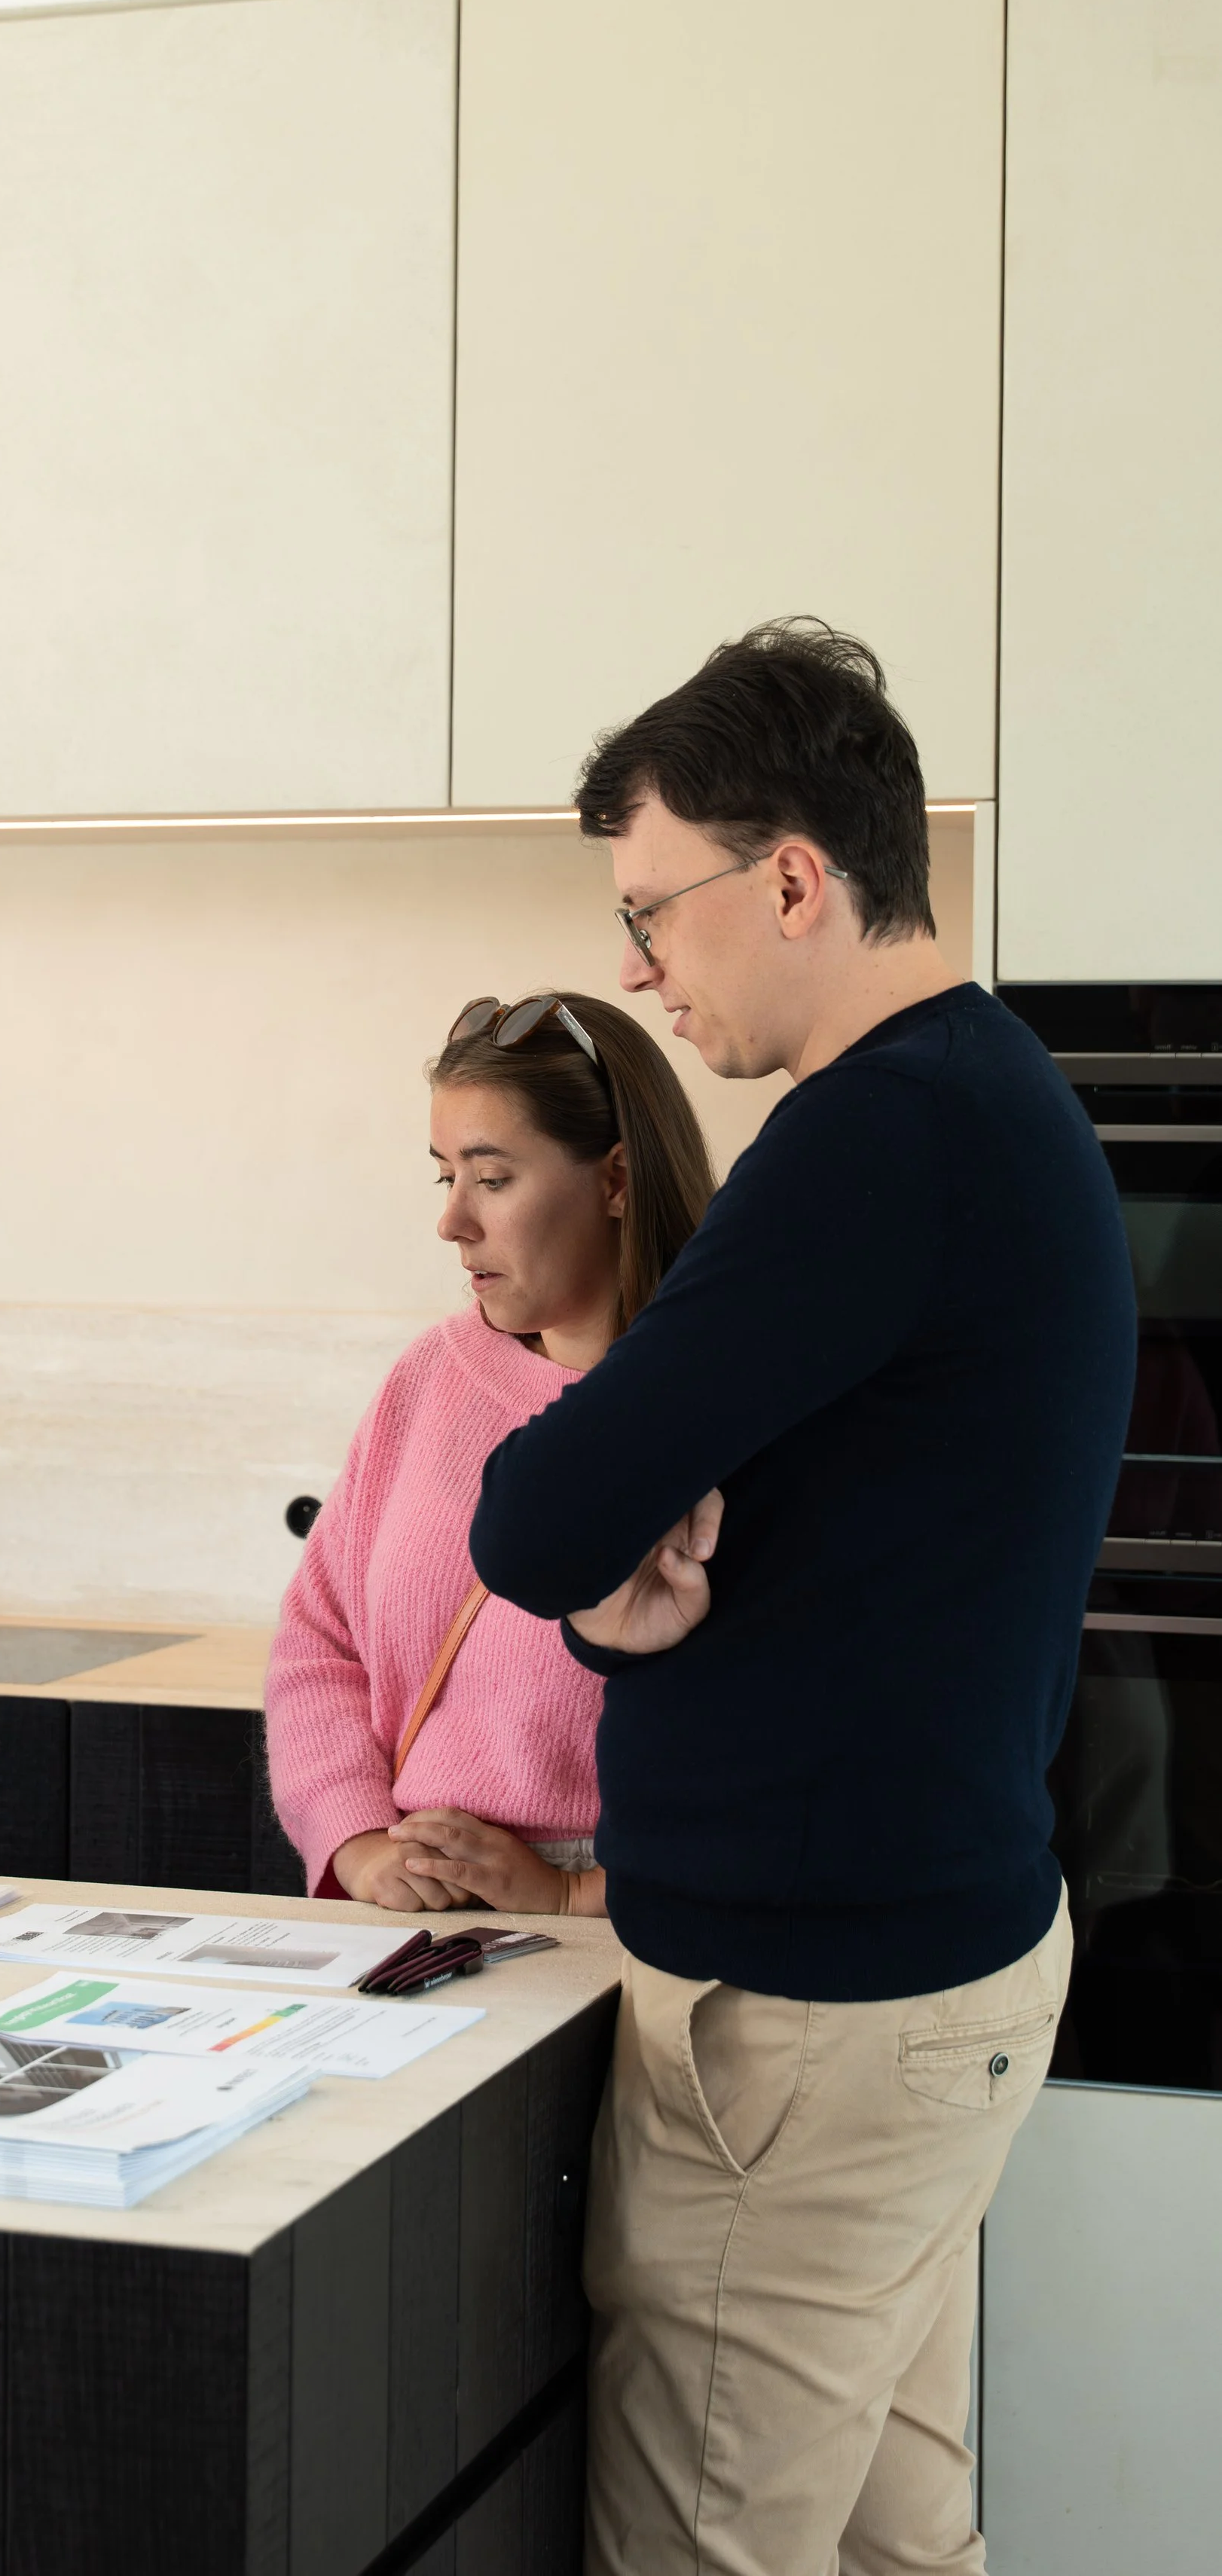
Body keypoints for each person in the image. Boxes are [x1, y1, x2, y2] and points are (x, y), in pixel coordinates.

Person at [466, 621, 1135, 2575]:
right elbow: (719, 1544)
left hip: (817, 2022)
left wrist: (597, 1569)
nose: (635, 968)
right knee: (884, 2544)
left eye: (651, 910)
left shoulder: (874, 1133)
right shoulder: (988, 1095)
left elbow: (539, 1509)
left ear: (788, 876)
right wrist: (621, 1607)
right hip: (924, 1975)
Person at [265, 990, 713, 1915]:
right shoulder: (432, 1376)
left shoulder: (718, 1409)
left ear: (617, 1180)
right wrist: (355, 1845)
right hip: (411, 1911)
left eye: (493, 1178)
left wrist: (569, 1894)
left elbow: (774, 1747)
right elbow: (319, 1638)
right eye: (445, 1177)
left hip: (626, 1930)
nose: (453, 1222)